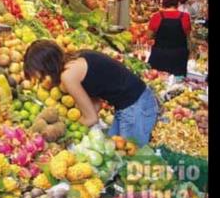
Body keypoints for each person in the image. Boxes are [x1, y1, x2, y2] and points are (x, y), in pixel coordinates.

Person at [22, 40, 159, 146]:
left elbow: (91, 118)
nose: (40, 78)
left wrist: (65, 130)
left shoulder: (68, 75)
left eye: (36, 71)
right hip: (132, 103)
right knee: (116, 152)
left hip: (136, 107)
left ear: (45, 65)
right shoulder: (76, 58)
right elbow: (96, 105)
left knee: (132, 160)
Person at [147, 0, 191, 77]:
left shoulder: (157, 16)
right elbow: (188, 36)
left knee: (157, 81)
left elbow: (149, 36)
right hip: (178, 57)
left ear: (164, 2)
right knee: (178, 83)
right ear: (178, 2)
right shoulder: (185, 17)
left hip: (160, 55)